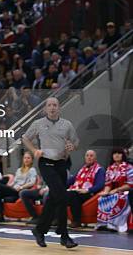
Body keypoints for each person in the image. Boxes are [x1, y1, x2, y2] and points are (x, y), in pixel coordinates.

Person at [23, 97, 79, 248]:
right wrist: (34, 150)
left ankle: (39, 230)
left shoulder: (67, 124)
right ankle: (64, 235)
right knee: (61, 196)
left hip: (62, 163)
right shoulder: (38, 124)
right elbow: (25, 138)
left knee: (55, 198)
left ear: (59, 108)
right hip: (46, 163)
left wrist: (72, 146)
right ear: (45, 109)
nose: (52, 107)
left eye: (55, 105)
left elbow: (76, 142)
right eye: (50, 105)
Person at [0, 151, 38, 222]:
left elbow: (32, 182)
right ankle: (0, 216)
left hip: (20, 191)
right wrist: (9, 185)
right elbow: (14, 182)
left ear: (32, 160)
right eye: (25, 158)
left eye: (28, 158)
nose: (26, 160)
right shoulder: (19, 170)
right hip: (13, 190)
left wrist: (22, 187)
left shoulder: (32, 170)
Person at [96, 147, 132, 232]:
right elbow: (108, 184)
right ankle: (103, 224)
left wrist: (117, 190)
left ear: (123, 155)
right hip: (114, 191)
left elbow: (130, 184)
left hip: (126, 191)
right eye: (114, 153)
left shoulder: (129, 167)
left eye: (119, 153)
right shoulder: (110, 168)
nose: (116, 155)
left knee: (119, 197)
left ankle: (116, 225)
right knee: (102, 198)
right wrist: (106, 192)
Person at [66, 149, 105, 228]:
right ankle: (56, 218)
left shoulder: (100, 169)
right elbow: (70, 181)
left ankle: (77, 221)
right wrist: (57, 186)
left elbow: (100, 185)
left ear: (95, 158)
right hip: (77, 191)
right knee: (59, 193)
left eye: (91, 156)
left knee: (73, 195)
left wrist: (87, 190)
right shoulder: (82, 169)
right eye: (87, 155)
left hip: (89, 194)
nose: (89, 157)